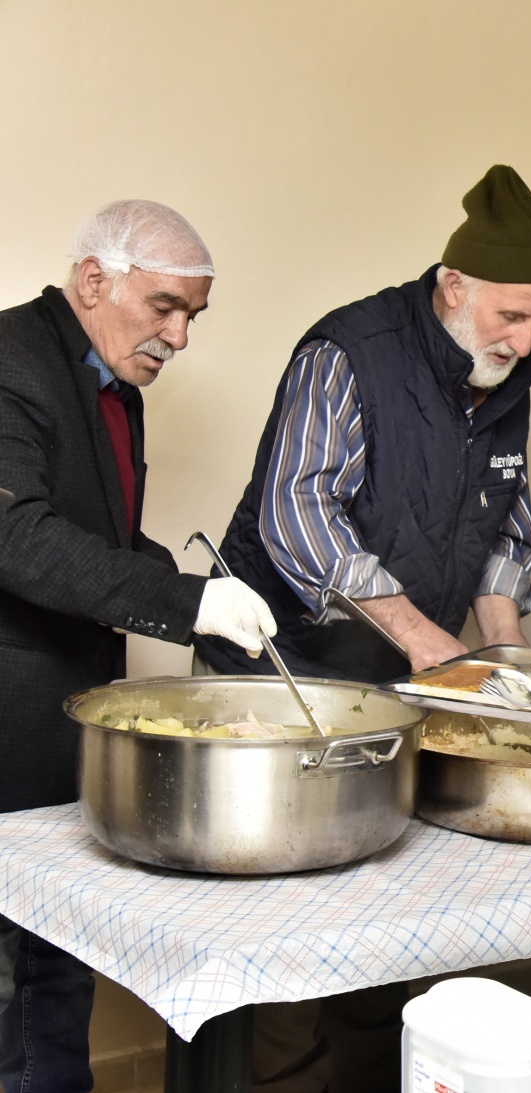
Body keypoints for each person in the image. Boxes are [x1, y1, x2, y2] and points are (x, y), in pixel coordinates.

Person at [198, 164, 531, 1093]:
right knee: (287, 911)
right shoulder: (349, 350)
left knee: (386, 892)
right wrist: (426, 640)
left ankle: (367, 1069)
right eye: (510, 318)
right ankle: (282, 1079)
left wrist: (509, 673)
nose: (523, 342)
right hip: (284, 667)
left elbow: (503, 533)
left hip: (391, 675)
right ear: (453, 288)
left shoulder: (504, 379)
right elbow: (299, 515)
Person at [0, 201, 273, 1092]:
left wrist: (217, 592)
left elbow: (101, 538)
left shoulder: (110, 383)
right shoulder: (11, 363)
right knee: (12, 1007)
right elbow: (21, 539)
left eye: (192, 314)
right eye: (164, 307)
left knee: (55, 980)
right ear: (93, 280)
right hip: (5, 743)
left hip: (58, 743)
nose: (180, 336)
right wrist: (187, 601)